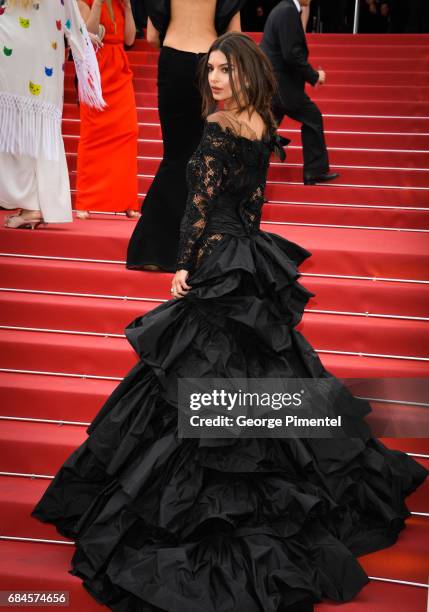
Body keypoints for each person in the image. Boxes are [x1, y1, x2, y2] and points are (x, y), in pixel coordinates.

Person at [31, 31, 427, 611]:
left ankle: (203, 504)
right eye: (210, 70)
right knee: (267, 370)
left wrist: (183, 267)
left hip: (219, 263)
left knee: (192, 377)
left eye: (224, 70)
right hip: (251, 260)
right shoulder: (262, 126)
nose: (213, 79)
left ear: (245, 72)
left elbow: (197, 210)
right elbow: (250, 206)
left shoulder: (218, 131)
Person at [126, 0, 244, 272]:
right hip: (208, 65)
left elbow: (154, 37)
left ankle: (153, 248)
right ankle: (187, 248)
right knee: (198, 157)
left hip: (173, 61)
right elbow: (234, 40)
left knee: (175, 156)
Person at [0, 0, 105, 229]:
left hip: (12, 49)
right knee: (36, 129)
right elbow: (69, 12)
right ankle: (36, 205)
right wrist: (82, 39)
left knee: (16, 128)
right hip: (44, 56)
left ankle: (31, 205)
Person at [260, 0, 339, 185]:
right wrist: (314, 75)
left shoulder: (283, 9)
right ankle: (314, 171)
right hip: (283, 87)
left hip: (275, 85)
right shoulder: (287, 11)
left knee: (265, 132)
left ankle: (247, 178)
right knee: (313, 118)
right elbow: (291, 53)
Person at [75, 0, 139, 219]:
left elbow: (129, 39)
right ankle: (85, 201)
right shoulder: (84, 1)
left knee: (128, 132)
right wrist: (98, 4)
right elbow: (89, 33)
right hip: (96, 70)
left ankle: (128, 201)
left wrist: (129, 7)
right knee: (92, 135)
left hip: (119, 69)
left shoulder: (121, 4)